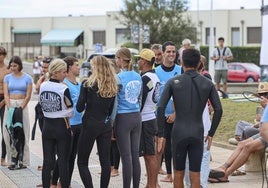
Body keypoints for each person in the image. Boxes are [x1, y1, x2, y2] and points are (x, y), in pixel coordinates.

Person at [157, 49, 223, 188]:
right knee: (195, 175)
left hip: (179, 131)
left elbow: (160, 107)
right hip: (197, 132)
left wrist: (161, 134)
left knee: (178, 174)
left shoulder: (173, 82)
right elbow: (218, 109)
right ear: (199, 63)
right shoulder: (207, 83)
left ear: (181, 62)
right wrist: (211, 133)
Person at [209, 82, 268, 183]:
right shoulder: (264, 107)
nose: (262, 97)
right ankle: (223, 167)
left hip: (265, 134)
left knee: (247, 147)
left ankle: (225, 175)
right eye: (261, 95)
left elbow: (263, 129)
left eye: (265, 94)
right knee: (242, 143)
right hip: (264, 132)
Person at [77, 56, 117, 188]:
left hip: (90, 124)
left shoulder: (87, 84)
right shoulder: (112, 86)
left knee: (82, 161)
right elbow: (111, 110)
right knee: (105, 162)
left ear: (95, 68)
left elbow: (79, 107)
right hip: (105, 125)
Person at [39, 59, 73, 188]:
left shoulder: (43, 85)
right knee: (63, 161)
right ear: (57, 72)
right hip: (61, 125)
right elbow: (70, 110)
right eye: (64, 72)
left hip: (47, 125)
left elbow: (42, 104)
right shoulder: (64, 88)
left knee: (47, 161)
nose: (65, 74)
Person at [51, 56, 82, 187]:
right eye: (76, 65)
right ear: (68, 68)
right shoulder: (64, 85)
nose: (79, 67)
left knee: (73, 156)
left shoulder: (79, 84)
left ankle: (66, 182)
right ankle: (54, 182)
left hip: (80, 124)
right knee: (64, 156)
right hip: (68, 124)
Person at [114, 47, 142, 188]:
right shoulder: (138, 76)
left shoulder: (118, 78)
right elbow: (139, 98)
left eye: (116, 58)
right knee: (135, 155)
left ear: (120, 59)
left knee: (126, 156)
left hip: (123, 117)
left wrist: (112, 122)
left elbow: (115, 103)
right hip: (136, 116)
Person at [155, 41, 182, 183]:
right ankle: (162, 175)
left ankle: (174, 175)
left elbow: (183, 95)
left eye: (174, 51)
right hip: (160, 116)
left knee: (175, 146)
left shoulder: (180, 70)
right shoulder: (155, 71)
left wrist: (176, 113)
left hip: (177, 116)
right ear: (163, 53)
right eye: (169, 51)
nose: (171, 54)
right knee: (160, 147)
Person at [184, 55, 213, 188]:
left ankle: (196, 184)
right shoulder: (206, 81)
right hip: (202, 127)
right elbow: (216, 107)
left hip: (189, 127)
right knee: (201, 157)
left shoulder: (181, 80)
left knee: (192, 159)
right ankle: (199, 184)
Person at [3, 56, 32, 169]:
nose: (12, 68)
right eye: (11, 65)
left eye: (15, 65)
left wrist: (21, 107)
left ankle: (24, 160)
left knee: (24, 131)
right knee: (8, 132)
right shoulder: (7, 78)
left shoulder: (27, 78)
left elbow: (28, 95)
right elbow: (6, 94)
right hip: (10, 104)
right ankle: (11, 160)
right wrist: (10, 107)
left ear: (19, 65)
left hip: (22, 105)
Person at [137, 48, 160, 188]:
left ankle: (152, 185)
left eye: (139, 59)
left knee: (150, 155)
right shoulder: (154, 76)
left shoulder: (146, 78)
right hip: (151, 116)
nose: (137, 62)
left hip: (146, 118)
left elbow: (141, 101)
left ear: (145, 61)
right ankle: (150, 184)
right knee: (148, 154)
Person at [0, 47, 10, 166]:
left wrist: (3, 102)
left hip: (4, 98)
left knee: (4, 129)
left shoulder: (8, 69)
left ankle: (3, 157)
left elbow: (10, 88)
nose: (0, 56)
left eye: (2, 54)